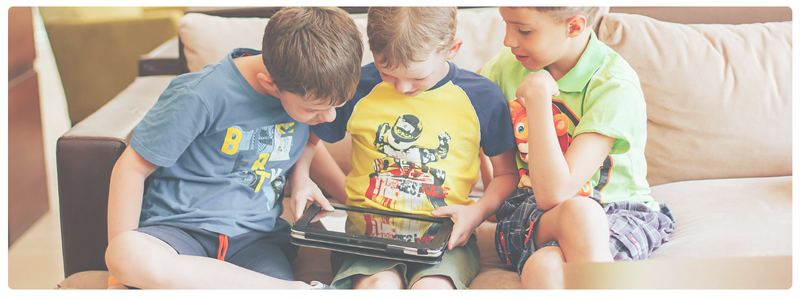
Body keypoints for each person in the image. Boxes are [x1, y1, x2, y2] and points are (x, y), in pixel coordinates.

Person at [103, 6, 363, 289]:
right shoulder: (201, 96)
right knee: (125, 252)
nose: (329, 119)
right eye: (315, 110)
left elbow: (298, 146)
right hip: (180, 233)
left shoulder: (306, 90)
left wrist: (356, 204)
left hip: (256, 243)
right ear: (270, 84)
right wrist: (117, 274)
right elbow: (131, 168)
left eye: (336, 107)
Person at [290, 6, 519, 290]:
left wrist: (476, 213)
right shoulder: (357, 85)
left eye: (419, 78)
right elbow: (307, 139)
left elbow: (507, 174)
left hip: (444, 239)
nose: (402, 88)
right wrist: (300, 178)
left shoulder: (482, 97)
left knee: (432, 290)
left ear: (452, 48)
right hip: (367, 236)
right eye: (387, 73)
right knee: (378, 287)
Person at [479, 7, 676, 288]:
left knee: (545, 265)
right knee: (580, 214)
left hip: (615, 211)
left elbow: (555, 193)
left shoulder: (613, 85)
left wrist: (538, 100)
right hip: (529, 214)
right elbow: (461, 98)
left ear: (573, 27)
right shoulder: (506, 66)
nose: (508, 40)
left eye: (523, 30)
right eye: (505, 24)